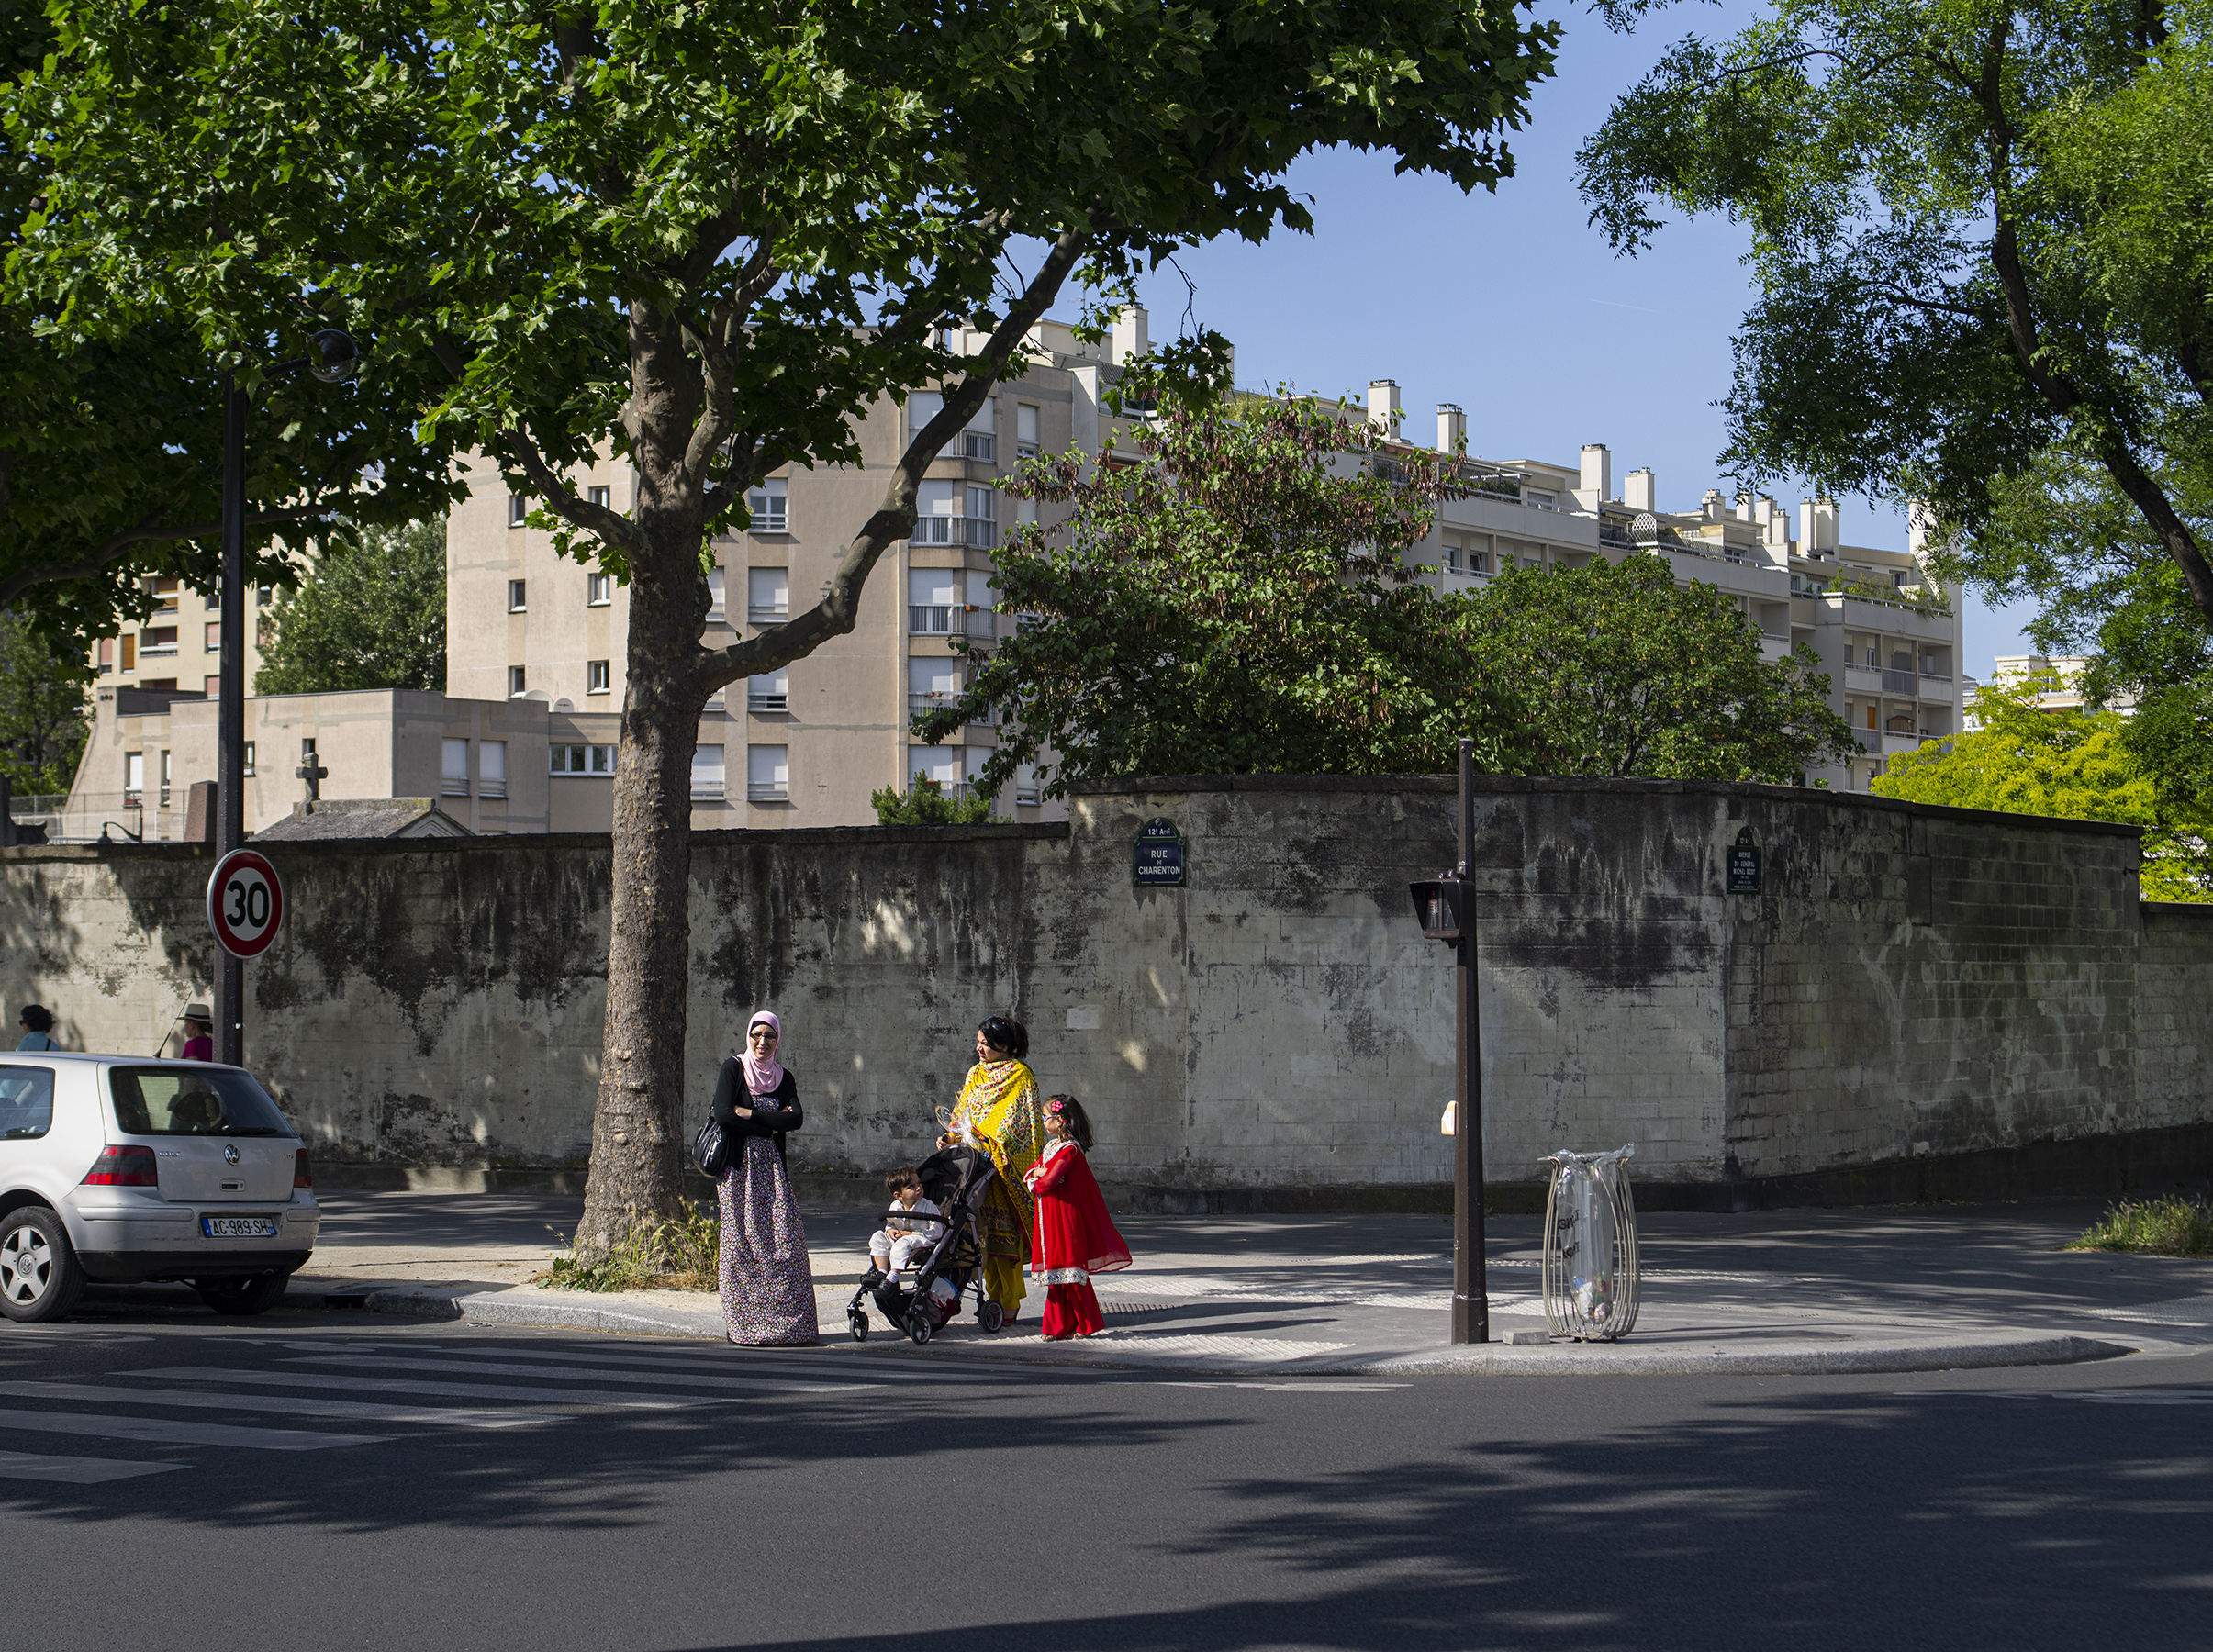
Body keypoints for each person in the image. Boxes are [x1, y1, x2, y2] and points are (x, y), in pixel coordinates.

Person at [710, 1010, 818, 1345]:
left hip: (772, 1172)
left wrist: (753, 1114)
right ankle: (744, 1327)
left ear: (777, 1039)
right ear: (748, 1036)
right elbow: (724, 1115)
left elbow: (796, 1118)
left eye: (769, 1036)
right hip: (738, 1171)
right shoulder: (733, 1068)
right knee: (740, 1246)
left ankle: (790, 1328)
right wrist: (770, 1123)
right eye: (757, 1034)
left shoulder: (783, 1077)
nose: (762, 1042)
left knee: (783, 1243)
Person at [940, 1013, 1045, 1323]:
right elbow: (963, 1112)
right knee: (974, 1238)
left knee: (1003, 1242)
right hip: (973, 1170)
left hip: (1003, 1173)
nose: (980, 1050)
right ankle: (986, 1299)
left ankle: (1008, 1302)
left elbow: (1020, 1125)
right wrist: (951, 1137)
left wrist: (991, 1143)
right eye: (977, 1043)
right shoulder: (975, 1074)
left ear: (1004, 1046)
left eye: (985, 1044)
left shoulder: (1021, 1075)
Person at [1023, 1095, 1131, 1340]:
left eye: (1045, 1117)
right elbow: (1033, 1172)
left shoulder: (1070, 1150)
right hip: (1050, 1217)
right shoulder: (1051, 1148)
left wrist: (1042, 1175)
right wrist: (1041, 1174)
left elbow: (1047, 1180)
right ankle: (1057, 1325)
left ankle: (1085, 1323)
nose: (1042, 1122)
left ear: (1059, 1121)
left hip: (1065, 1218)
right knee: (1055, 1272)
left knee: (1071, 1270)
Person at [865, 1168, 942, 1284]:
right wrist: (890, 1230)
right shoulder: (895, 1206)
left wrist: (911, 1234)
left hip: (922, 1240)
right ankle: (882, 1272)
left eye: (919, 1183)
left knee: (903, 1242)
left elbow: (937, 1232)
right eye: (911, 1186)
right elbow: (890, 1223)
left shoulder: (928, 1206)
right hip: (901, 1237)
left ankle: (893, 1276)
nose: (918, 1188)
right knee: (878, 1237)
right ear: (899, 1195)